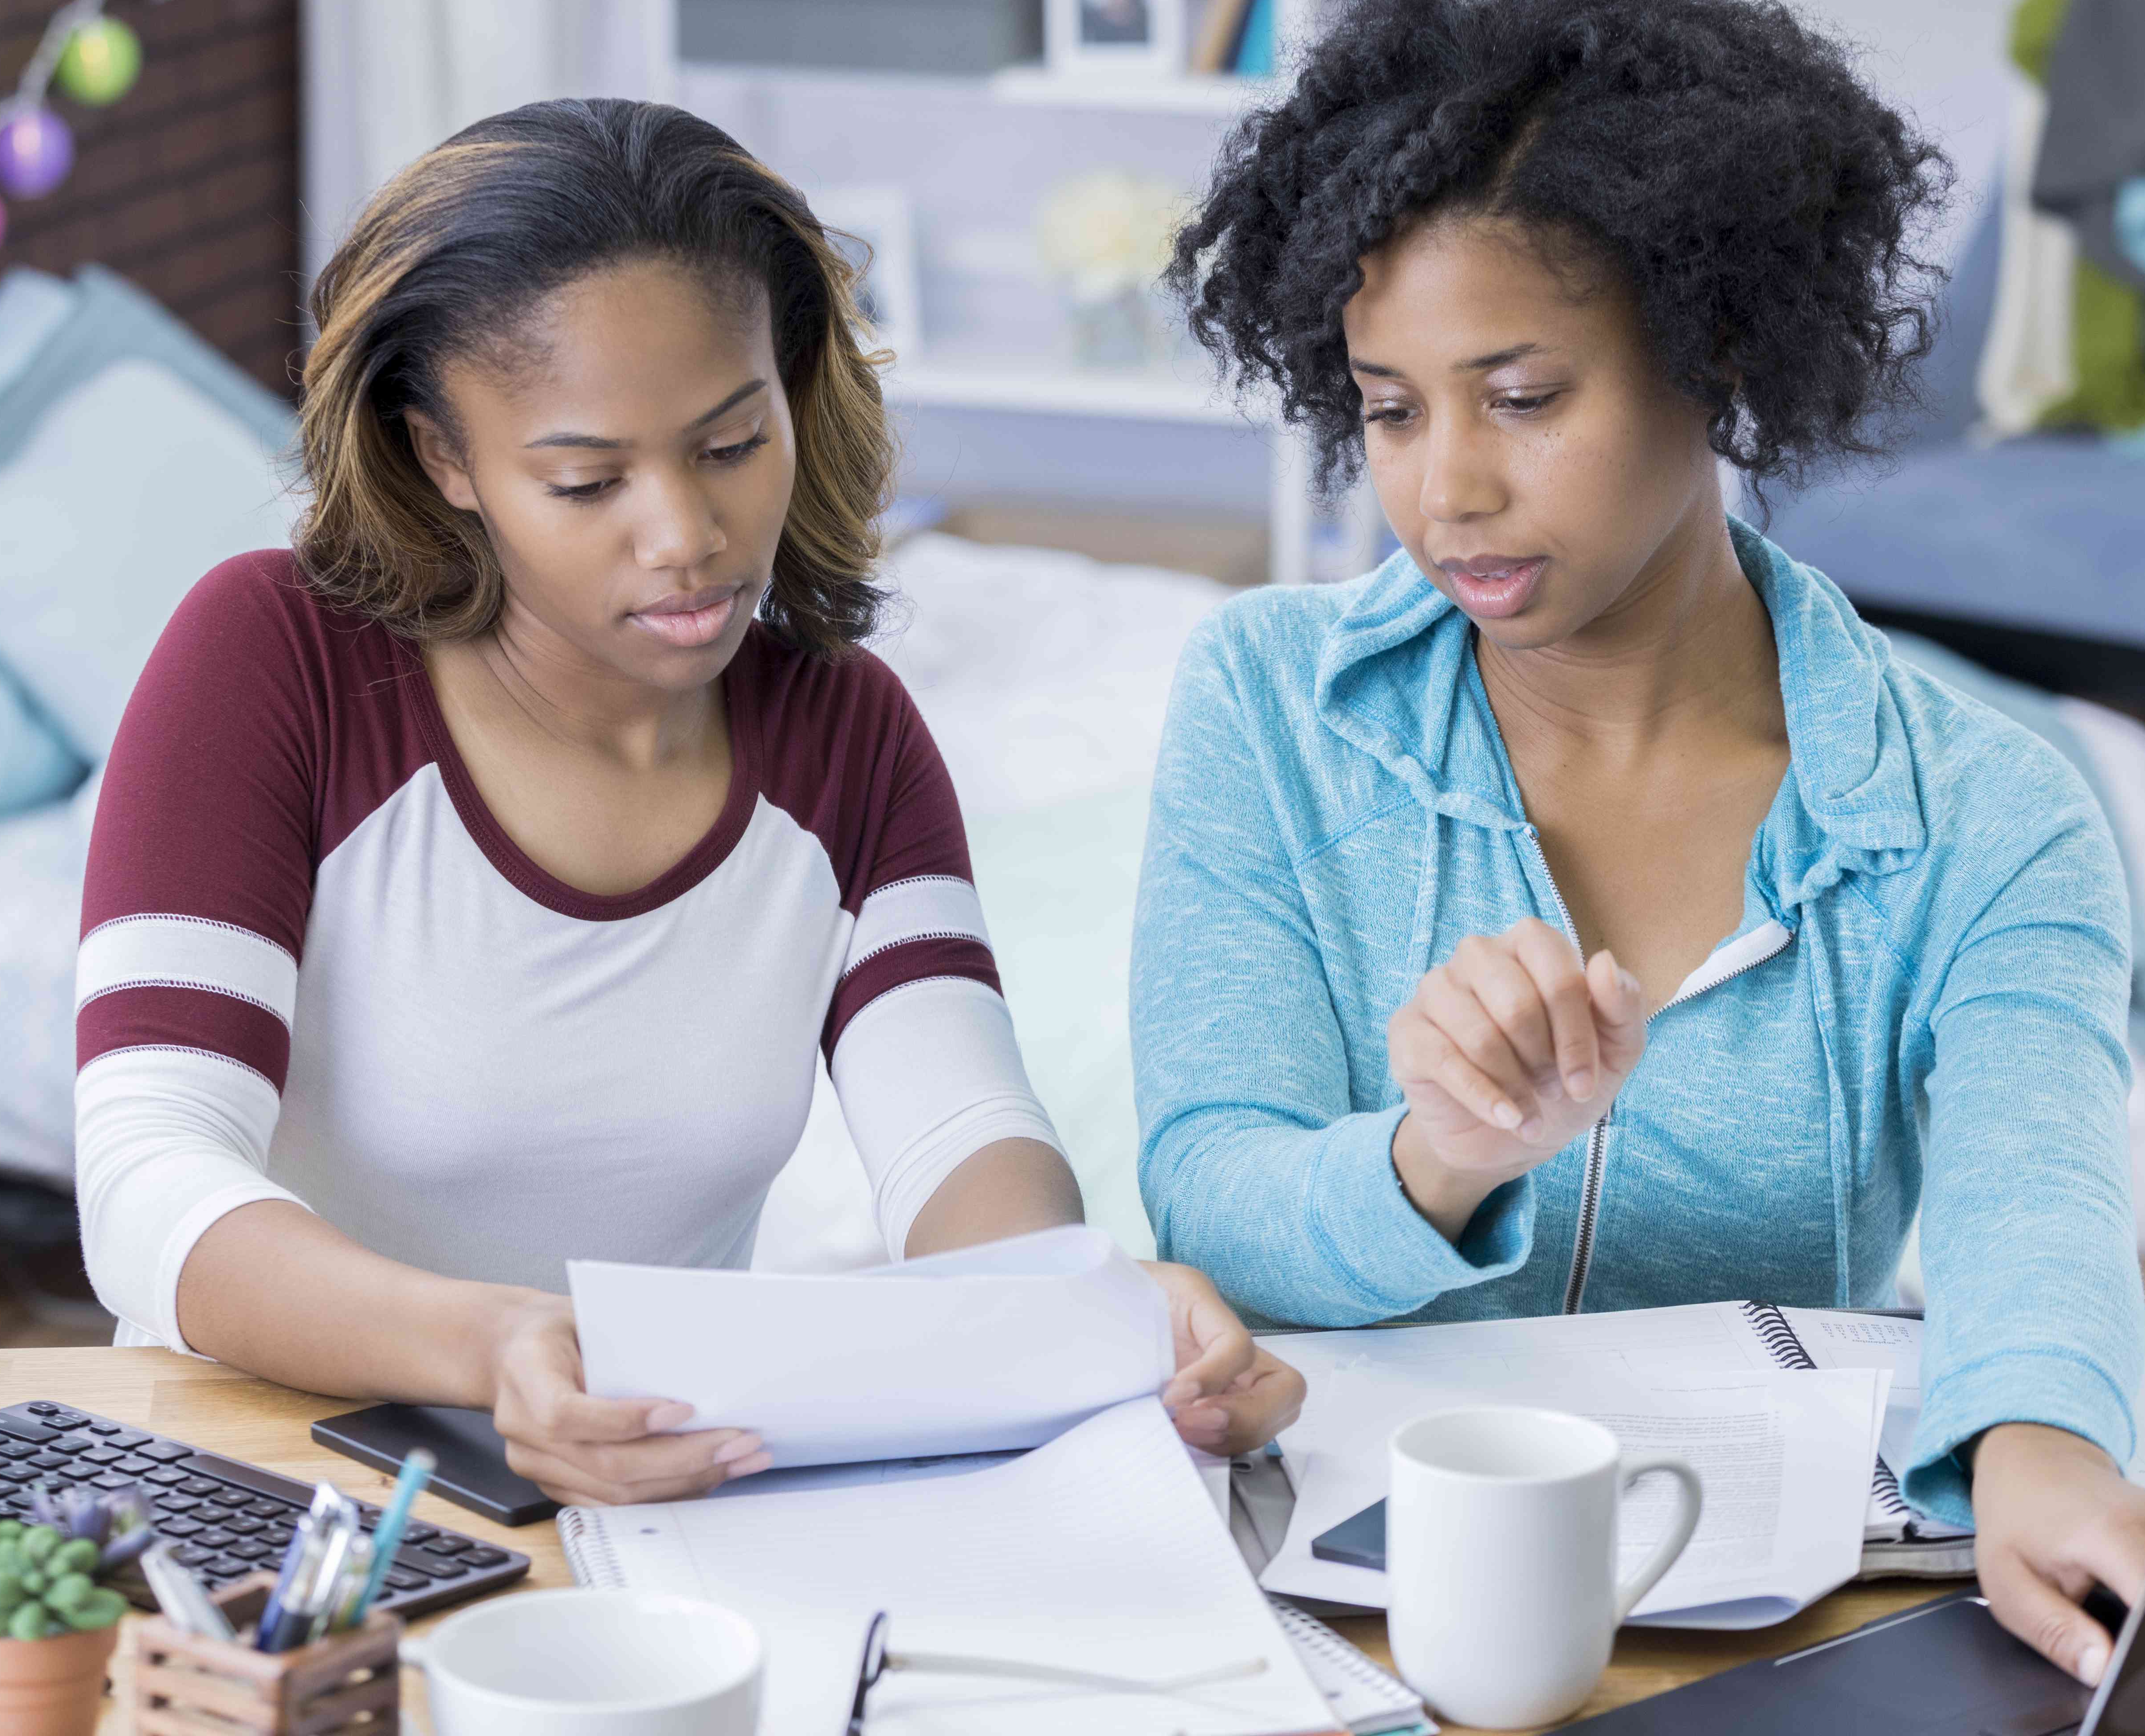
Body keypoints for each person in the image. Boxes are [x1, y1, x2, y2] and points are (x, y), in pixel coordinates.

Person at [1136, 0, 2145, 1685]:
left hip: (1772, 1636)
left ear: (1715, 348)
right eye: (1390, 410)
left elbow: (2032, 1198)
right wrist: (1443, 1148)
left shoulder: (1985, 815)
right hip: (1328, 1621)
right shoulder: (1265, 703)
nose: (1446, 487)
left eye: (1526, 398)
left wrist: (2042, 1443)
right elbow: (1208, 1183)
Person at [75, 98, 1299, 1506]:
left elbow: (960, 1135)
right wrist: (504, 1345)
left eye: (730, 446)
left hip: (657, 1496)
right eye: (588, 480)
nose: (690, 538)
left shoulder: (845, 735)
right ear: (443, 460)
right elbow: (146, 1178)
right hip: (273, 1484)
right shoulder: (276, 659)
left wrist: (1080, 1312)